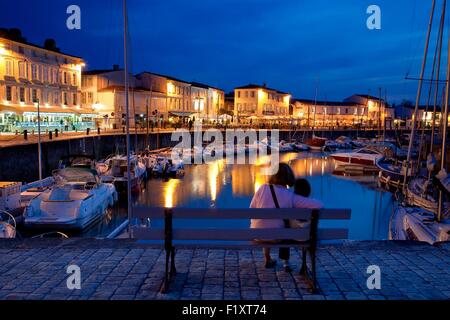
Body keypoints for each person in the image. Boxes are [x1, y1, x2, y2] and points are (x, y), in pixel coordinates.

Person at [250, 164, 322, 271]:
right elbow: (318, 205)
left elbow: (251, 210)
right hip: (276, 237)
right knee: (277, 225)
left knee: (266, 223)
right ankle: (284, 261)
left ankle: (267, 258)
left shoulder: (262, 188)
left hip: (257, 235)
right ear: (289, 177)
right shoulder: (290, 196)